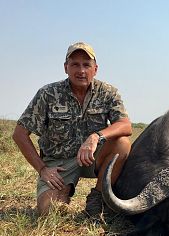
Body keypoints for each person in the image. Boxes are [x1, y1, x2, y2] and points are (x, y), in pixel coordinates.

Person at [12, 42, 132, 217]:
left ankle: (97, 200)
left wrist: (95, 137)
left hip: (92, 157)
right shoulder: (48, 93)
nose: (81, 70)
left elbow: (125, 125)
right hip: (59, 163)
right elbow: (19, 134)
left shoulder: (108, 92)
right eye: (75, 64)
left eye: (86, 65)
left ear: (95, 69)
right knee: (50, 212)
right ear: (65, 68)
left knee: (122, 143)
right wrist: (43, 169)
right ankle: (64, 190)